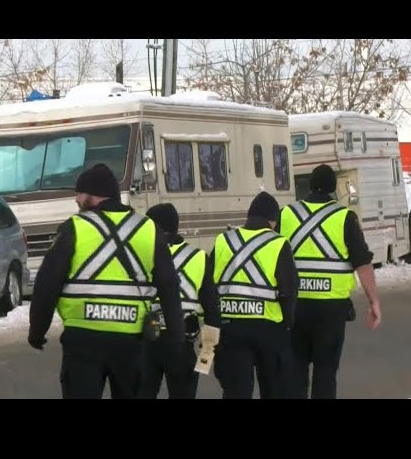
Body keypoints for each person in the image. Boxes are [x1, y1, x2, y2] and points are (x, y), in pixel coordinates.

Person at [28, 163, 185, 399]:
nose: (76, 200)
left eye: (79, 194)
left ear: (93, 196)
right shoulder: (148, 229)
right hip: (130, 342)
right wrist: (176, 338)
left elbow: (47, 284)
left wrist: (37, 330)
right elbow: (169, 287)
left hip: (83, 340)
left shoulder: (75, 228)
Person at [278, 164, 381, 399]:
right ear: (334, 189)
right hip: (331, 311)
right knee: (325, 372)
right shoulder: (345, 218)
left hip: (296, 308)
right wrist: (373, 300)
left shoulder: (286, 215)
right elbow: (362, 263)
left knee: (295, 372)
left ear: (309, 187)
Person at [212, 191, 298, 399]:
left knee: (236, 392)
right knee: (273, 388)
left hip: (231, 328)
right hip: (268, 329)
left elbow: (208, 284)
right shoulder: (278, 243)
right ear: (272, 221)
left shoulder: (224, 241)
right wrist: (288, 322)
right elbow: (289, 289)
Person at [138, 203, 220, 399]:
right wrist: (206, 357)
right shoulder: (198, 257)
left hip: (145, 341)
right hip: (181, 344)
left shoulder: (140, 255)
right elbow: (212, 311)